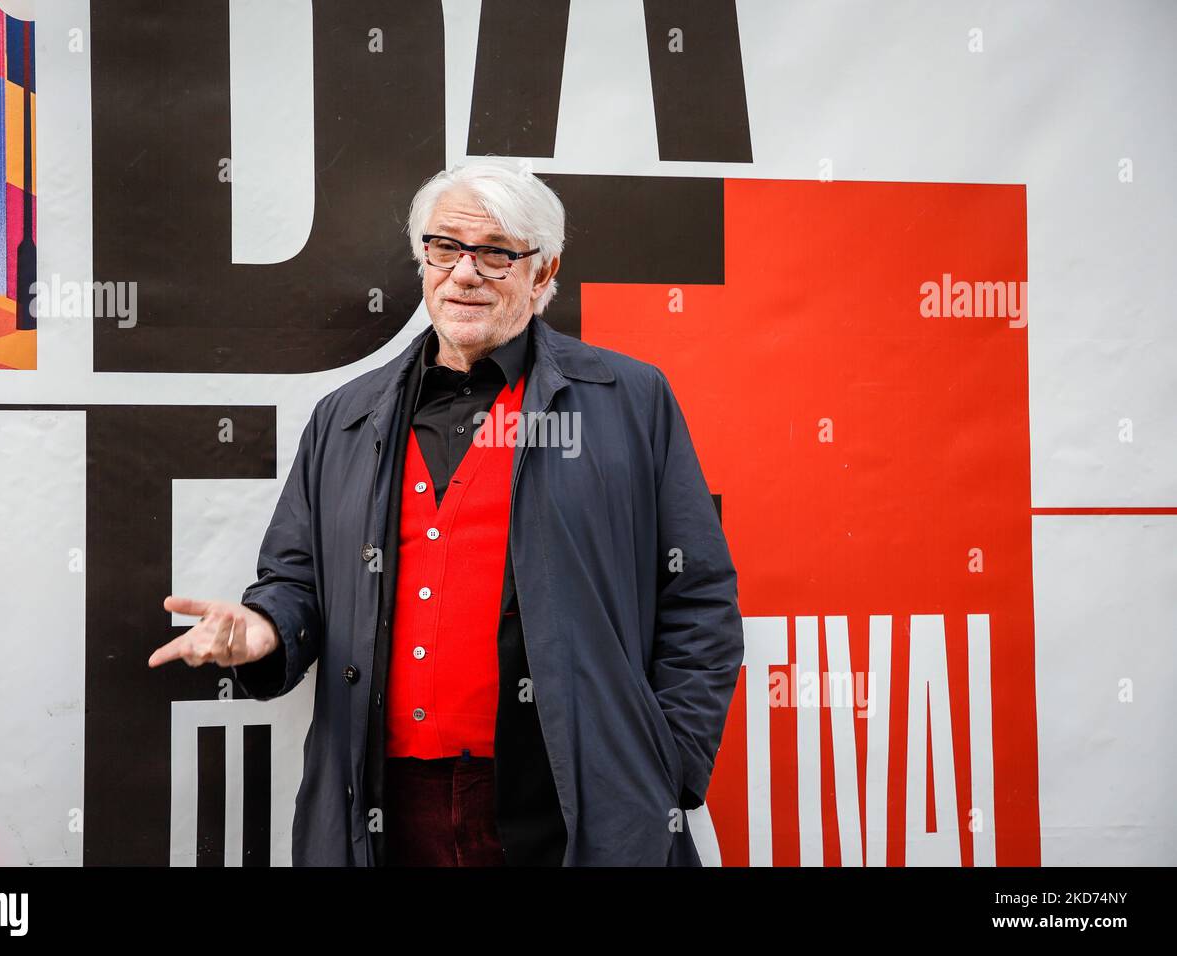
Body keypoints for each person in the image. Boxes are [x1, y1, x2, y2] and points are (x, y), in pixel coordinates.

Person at [149, 159, 744, 866]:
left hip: (569, 799)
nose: (465, 274)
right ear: (422, 258)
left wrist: (662, 767)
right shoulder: (346, 416)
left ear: (544, 273)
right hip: (384, 803)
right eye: (445, 248)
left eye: (495, 253)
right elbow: (296, 580)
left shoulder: (628, 401)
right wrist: (267, 627)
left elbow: (699, 599)